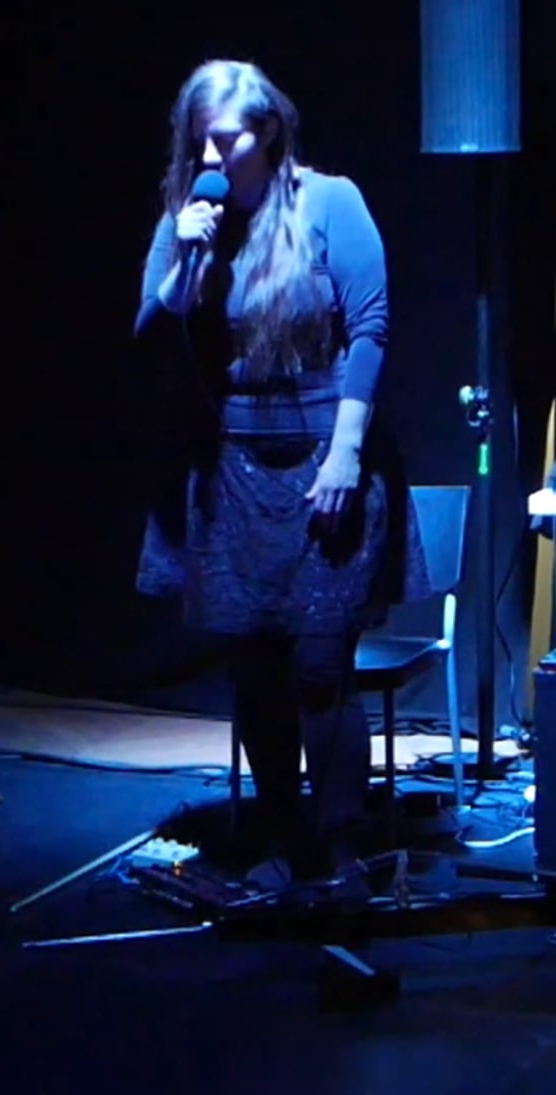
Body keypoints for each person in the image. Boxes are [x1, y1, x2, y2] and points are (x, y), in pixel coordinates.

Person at [132, 60, 428, 890]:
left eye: (226, 139)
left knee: (320, 669)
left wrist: (345, 454)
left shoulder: (331, 202)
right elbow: (150, 336)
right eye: (200, 138)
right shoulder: (189, 221)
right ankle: (278, 831)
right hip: (235, 474)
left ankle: (341, 847)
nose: (211, 155)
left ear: (266, 131)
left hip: (326, 461)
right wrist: (183, 262)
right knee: (257, 671)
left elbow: (370, 327)